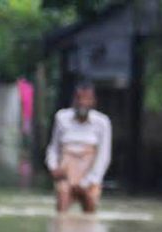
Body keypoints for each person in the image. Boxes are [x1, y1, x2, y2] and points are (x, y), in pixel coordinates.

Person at [45, 81, 112, 213]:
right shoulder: (61, 118)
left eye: (87, 99)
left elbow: (104, 155)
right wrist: (53, 167)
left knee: (90, 205)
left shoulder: (102, 122)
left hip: (90, 172)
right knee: (62, 201)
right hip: (66, 172)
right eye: (79, 98)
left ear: (93, 101)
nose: (82, 102)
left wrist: (88, 181)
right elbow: (54, 148)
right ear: (74, 100)